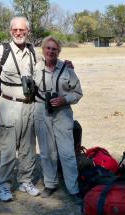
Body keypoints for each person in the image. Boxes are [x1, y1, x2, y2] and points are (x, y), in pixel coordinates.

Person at [0, 17, 40, 202]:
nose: (18, 33)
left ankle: (25, 181)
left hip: (29, 105)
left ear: (28, 31)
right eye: (15, 30)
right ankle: (3, 184)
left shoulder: (32, 50)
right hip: (8, 105)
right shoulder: (3, 50)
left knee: (28, 148)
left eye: (22, 30)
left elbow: (40, 74)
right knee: (7, 150)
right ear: (10, 31)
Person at [34, 36, 83, 204]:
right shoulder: (36, 68)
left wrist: (64, 99)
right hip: (42, 112)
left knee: (67, 153)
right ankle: (50, 184)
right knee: (47, 152)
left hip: (62, 114)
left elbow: (78, 93)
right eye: (47, 48)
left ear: (59, 51)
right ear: (43, 50)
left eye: (54, 49)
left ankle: (73, 189)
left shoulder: (67, 69)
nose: (50, 51)